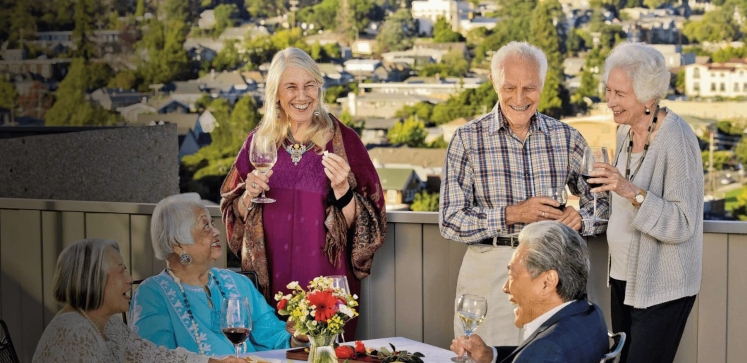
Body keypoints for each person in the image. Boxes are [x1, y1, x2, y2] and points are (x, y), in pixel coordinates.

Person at [439, 41, 608, 346]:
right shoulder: (466, 140)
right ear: (494, 82)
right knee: (483, 355)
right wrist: (514, 214)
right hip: (490, 272)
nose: (519, 98)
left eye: (529, 87)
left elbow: (601, 202)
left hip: (553, 275)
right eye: (509, 87)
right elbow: (450, 220)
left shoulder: (567, 138)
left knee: (553, 355)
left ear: (542, 84)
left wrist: (581, 220)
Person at [219, 47, 386, 339]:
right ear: (276, 94)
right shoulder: (259, 141)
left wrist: (343, 191)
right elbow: (233, 214)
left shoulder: (344, 141)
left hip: (327, 288)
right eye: (292, 87)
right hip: (268, 285)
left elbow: (369, 225)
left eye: (310, 85)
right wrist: (248, 196)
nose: (302, 95)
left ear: (319, 89)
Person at [589, 42, 703, 363]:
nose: (610, 101)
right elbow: (620, 205)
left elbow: (683, 222)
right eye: (608, 90)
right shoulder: (625, 133)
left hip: (661, 287)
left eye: (619, 94)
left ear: (648, 97)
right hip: (623, 280)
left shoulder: (677, 139)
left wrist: (629, 190)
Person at [129, 193, 306, 356]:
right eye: (206, 226)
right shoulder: (152, 294)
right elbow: (156, 357)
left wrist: (298, 336)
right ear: (178, 244)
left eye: (212, 224)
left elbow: (274, 336)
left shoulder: (238, 283)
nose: (216, 231)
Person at [32, 238, 244, 363]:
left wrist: (211, 362)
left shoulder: (106, 323)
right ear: (94, 280)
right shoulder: (74, 333)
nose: (129, 279)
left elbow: (154, 357)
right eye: (120, 271)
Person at [449, 221, 609, 363]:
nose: (505, 287)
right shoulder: (590, 314)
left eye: (512, 275)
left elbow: (540, 355)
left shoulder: (547, 351)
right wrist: (491, 356)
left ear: (547, 282)